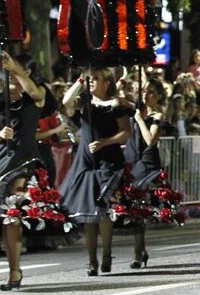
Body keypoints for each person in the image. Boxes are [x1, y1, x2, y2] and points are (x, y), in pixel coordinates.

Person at [0, 53, 57, 290]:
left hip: (25, 158)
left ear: (27, 71)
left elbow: (34, 93)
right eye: (8, 69)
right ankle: (14, 270)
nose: (9, 72)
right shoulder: (2, 99)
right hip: (1, 159)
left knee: (13, 211)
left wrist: (16, 69)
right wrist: (1, 134)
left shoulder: (37, 94)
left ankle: (14, 271)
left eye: (15, 68)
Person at [60, 67, 133, 277]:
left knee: (103, 210)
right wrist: (80, 79)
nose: (91, 82)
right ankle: (92, 261)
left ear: (106, 83)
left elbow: (126, 133)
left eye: (95, 79)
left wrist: (104, 142)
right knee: (88, 213)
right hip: (86, 160)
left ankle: (107, 254)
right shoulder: (85, 102)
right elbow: (66, 102)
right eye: (89, 79)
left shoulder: (115, 104)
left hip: (107, 160)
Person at [123, 78, 173, 269]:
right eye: (144, 90)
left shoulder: (157, 115)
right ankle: (140, 250)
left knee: (141, 207)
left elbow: (150, 140)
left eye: (151, 91)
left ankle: (138, 251)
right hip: (132, 160)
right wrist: (124, 77)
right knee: (134, 209)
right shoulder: (134, 109)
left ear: (158, 95)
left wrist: (139, 120)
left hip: (147, 163)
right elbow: (115, 97)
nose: (146, 94)